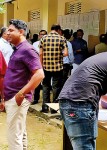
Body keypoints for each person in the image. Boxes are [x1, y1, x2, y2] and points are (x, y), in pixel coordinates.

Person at [3, 19, 44, 150]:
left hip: (18, 98)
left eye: (11, 30)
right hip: (12, 98)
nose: (7, 33)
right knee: (20, 133)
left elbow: (39, 74)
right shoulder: (17, 49)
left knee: (14, 136)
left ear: (21, 32)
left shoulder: (27, 49)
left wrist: (21, 94)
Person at [39, 24, 68, 113]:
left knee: (46, 86)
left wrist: (41, 64)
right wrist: (59, 55)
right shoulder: (62, 38)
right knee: (56, 87)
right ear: (58, 30)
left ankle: (44, 107)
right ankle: (54, 109)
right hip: (58, 68)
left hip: (46, 67)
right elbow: (66, 53)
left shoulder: (43, 38)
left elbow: (40, 53)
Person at [32, 29, 47, 105]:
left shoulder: (48, 43)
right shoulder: (35, 44)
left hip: (46, 65)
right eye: (41, 34)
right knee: (36, 83)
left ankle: (45, 102)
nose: (42, 36)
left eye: (44, 34)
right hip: (36, 65)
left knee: (45, 84)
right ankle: (35, 99)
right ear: (39, 35)